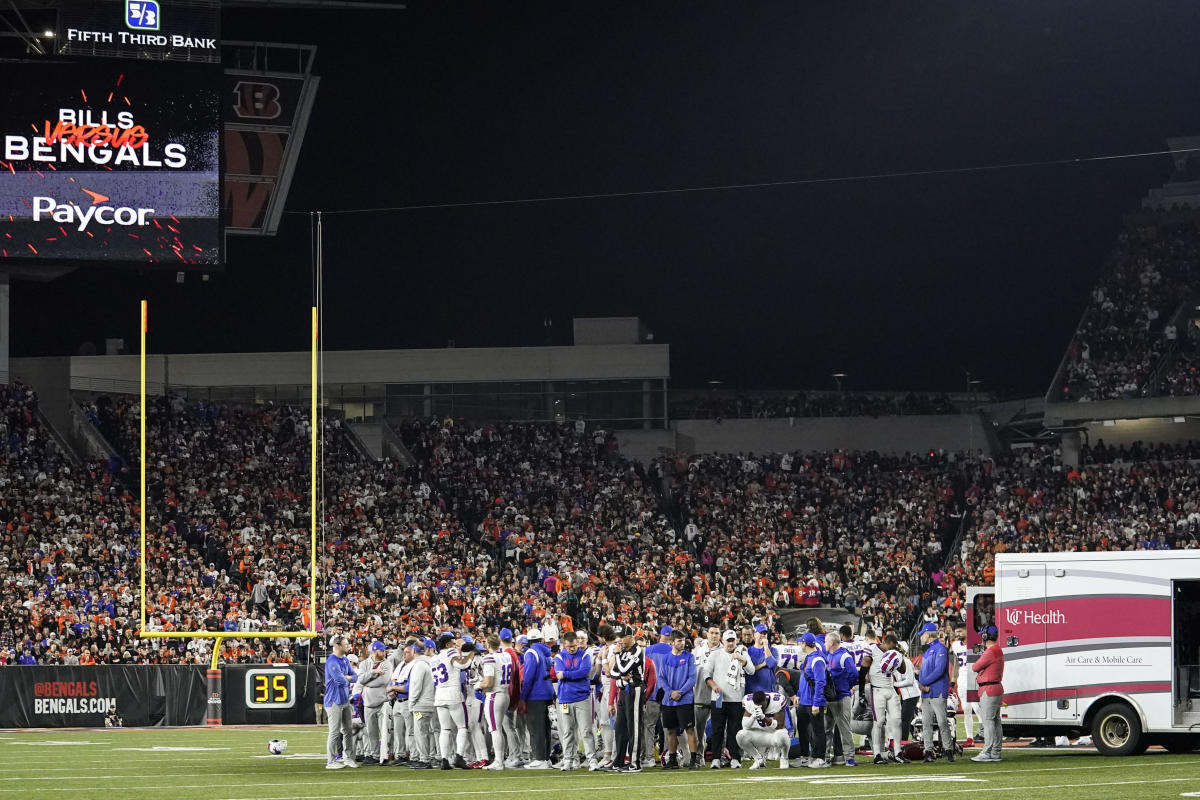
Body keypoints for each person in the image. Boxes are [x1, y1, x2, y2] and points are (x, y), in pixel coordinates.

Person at [702, 628, 754, 769]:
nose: (730, 644)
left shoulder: (742, 652)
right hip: (719, 698)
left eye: (733, 641)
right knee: (717, 729)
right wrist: (713, 686)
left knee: (734, 730)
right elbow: (706, 673)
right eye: (728, 641)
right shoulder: (715, 655)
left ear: (736, 641)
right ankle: (716, 759)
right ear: (722, 641)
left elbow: (751, 670)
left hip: (736, 699)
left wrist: (741, 659)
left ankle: (735, 758)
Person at [607, 625, 650, 773]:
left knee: (634, 727)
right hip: (624, 691)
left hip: (635, 690)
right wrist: (621, 676)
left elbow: (623, 669)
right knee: (620, 727)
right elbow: (612, 671)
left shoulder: (637, 650)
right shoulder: (624, 651)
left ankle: (634, 762)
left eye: (623, 637)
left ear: (630, 637)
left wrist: (618, 659)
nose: (620, 640)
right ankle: (618, 761)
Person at [554, 631, 598, 771]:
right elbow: (558, 673)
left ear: (577, 643)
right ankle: (568, 760)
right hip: (565, 698)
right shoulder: (559, 656)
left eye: (573, 646)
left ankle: (592, 760)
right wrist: (573, 673)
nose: (571, 649)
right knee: (567, 732)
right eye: (568, 646)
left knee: (586, 731)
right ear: (564, 645)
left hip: (582, 697)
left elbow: (584, 672)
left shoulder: (585, 655)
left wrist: (566, 674)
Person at [657, 630, 700, 770]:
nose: (683, 643)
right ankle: (673, 759)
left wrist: (680, 692)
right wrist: (670, 692)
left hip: (685, 699)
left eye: (683, 640)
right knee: (670, 730)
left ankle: (694, 760)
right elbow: (661, 678)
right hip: (669, 700)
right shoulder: (665, 658)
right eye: (679, 641)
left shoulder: (689, 657)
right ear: (672, 642)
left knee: (689, 729)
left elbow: (692, 678)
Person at [432, 632, 472, 770]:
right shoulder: (450, 652)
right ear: (448, 644)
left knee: (445, 729)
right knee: (462, 727)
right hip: (452, 693)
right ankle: (459, 757)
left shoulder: (434, 658)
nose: (456, 646)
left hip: (439, 694)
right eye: (453, 644)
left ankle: (444, 759)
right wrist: (471, 654)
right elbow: (462, 665)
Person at [867, 633, 907, 765]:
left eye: (892, 648)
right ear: (884, 642)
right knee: (878, 722)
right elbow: (864, 667)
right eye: (889, 647)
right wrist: (862, 689)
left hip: (890, 688)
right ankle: (877, 754)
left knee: (897, 721)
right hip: (877, 689)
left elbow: (902, 670)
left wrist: (900, 656)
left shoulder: (894, 652)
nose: (890, 650)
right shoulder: (872, 650)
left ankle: (897, 752)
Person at [918, 623, 955, 763]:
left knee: (942, 721)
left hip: (937, 690)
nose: (922, 636)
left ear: (928, 634)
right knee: (926, 722)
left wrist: (924, 682)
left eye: (923, 634)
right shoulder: (930, 650)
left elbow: (939, 670)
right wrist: (921, 683)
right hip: (927, 692)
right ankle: (929, 750)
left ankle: (948, 750)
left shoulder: (940, 649)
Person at [324, 634, 360, 770]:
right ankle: (330, 760)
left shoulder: (344, 660)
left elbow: (355, 677)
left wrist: (347, 677)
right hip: (333, 700)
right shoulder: (332, 661)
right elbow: (340, 680)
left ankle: (348, 758)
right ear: (338, 646)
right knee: (334, 732)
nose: (348, 646)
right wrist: (347, 678)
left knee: (348, 730)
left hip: (344, 699)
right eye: (345, 644)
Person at [520, 628, 555, 769]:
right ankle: (546, 758)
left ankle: (539, 758)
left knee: (536, 727)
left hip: (536, 694)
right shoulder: (545, 652)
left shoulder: (531, 653)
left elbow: (528, 676)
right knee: (546, 727)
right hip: (547, 691)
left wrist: (524, 696)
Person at [970, 625, 1004, 763]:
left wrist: (981, 671)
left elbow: (975, 667)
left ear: (985, 637)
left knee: (988, 721)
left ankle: (987, 751)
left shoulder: (990, 652)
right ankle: (996, 751)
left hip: (988, 689)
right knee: (996, 721)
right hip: (996, 688)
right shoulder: (998, 650)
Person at [477, 634, 511, 770]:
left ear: (487, 644)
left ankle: (498, 761)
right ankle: (499, 760)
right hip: (505, 694)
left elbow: (489, 682)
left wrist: (478, 686)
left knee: (494, 729)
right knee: (498, 728)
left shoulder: (489, 658)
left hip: (494, 695)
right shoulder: (506, 656)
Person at [356, 640, 393, 765]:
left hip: (383, 702)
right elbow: (360, 680)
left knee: (385, 731)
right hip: (368, 702)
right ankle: (375, 755)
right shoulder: (365, 663)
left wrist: (368, 681)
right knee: (371, 732)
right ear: (375, 651)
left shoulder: (387, 664)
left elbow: (383, 681)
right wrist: (373, 672)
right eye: (381, 650)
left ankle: (385, 755)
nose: (384, 652)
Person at [823, 632, 856, 766]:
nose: (825, 643)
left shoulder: (844, 656)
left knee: (844, 728)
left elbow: (854, 673)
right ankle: (824, 756)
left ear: (831, 643)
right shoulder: (828, 656)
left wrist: (846, 687)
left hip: (841, 697)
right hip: (829, 698)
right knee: (826, 728)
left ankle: (849, 757)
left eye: (826, 641)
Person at [796, 632, 829, 768]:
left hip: (813, 702)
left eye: (801, 643)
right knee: (802, 729)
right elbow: (804, 678)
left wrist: (816, 703)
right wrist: (798, 694)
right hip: (804, 700)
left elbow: (820, 682)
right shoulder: (810, 657)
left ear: (804, 643)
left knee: (818, 730)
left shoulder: (817, 660)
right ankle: (805, 757)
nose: (799, 645)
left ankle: (820, 758)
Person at [736, 690, 791, 770]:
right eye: (757, 705)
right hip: (760, 734)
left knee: (782, 737)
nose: (760, 707)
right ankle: (758, 759)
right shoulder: (749, 702)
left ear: (765, 700)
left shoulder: (777, 701)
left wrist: (763, 718)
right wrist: (753, 716)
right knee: (740, 736)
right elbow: (745, 726)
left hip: (774, 734)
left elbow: (780, 725)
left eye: (761, 705)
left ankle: (784, 758)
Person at [406, 639, 437, 769]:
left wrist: (411, 704)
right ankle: (430, 756)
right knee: (428, 731)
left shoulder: (419, 665)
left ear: (413, 650)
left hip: (419, 706)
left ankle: (424, 759)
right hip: (430, 703)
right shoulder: (430, 663)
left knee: (420, 731)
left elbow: (415, 687)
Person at [692, 626, 721, 761]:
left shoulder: (724, 651)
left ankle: (719, 755)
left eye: (716, 633)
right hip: (700, 694)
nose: (714, 635)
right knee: (698, 728)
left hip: (719, 694)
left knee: (720, 727)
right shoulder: (697, 651)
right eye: (711, 633)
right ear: (707, 635)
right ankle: (699, 756)